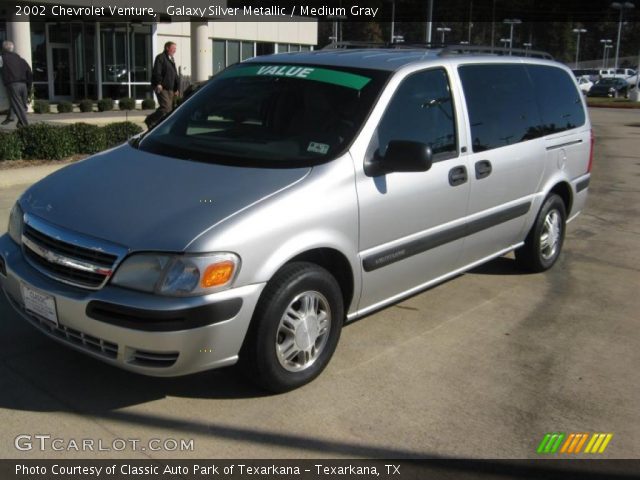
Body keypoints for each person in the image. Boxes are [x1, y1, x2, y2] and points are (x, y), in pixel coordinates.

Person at [145, 41, 179, 129]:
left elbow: (175, 75)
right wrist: (159, 83)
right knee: (166, 108)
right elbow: (157, 71)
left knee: (169, 110)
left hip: (170, 88)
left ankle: (158, 124)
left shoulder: (171, 59)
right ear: (167, 48)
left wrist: (176, 88)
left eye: (175, 48)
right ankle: (150, 119)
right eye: (173, 48)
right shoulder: (160, 58)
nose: (175, 50)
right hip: (162, 87)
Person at [1, 40, 32, 127]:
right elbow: (29, 71)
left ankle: (25, 126)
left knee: (18, 105)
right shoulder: (20, 59)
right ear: (12, 49)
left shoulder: (2, 58)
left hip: (13, 84)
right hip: (24, 84)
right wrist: (29, 86)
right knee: (20, 104)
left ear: (3, 49)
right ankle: (11, 117)